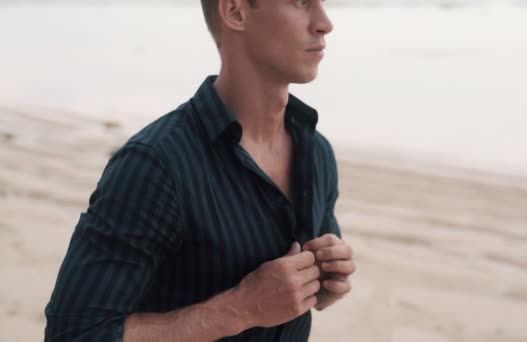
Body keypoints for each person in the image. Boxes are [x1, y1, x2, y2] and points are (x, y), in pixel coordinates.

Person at [44, 0, 356, 341]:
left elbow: (305, 295)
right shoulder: (154, 165)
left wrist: (325, 283)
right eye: (299, 3)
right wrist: (241, 308)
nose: (324, 22)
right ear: (235, 11)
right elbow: (73, 334)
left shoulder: (316, 152)